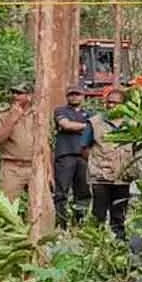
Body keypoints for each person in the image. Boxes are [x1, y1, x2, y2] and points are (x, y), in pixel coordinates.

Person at [87, 87, 133, 238]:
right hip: (100, 176)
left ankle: (118, 240)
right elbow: (84, 147)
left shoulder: (131, 124)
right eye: (109, 102)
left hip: (123, 176)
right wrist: (97, 163)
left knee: (119, 212)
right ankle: (95, 240)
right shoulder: (94, 122)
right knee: (98, 212)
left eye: (116, 103)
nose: (111, 105)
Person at [0, 84, 42, 202]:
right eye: (13, 93)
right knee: (7, 205)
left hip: (36, 166)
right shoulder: (3, 113)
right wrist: (12, 119)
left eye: (19, 93)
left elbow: (49, 143)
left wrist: (50, 172)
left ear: (30, 95)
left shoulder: (39, 113)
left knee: (39, 205)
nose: (15, 96)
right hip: (12, 167)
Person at [52, 85, 93, 227]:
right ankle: (61, 224)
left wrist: (81, 126)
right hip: (65, 155)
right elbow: (66, 125)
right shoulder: (61, 111)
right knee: (61, 192)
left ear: (83, 96)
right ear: (67, 97)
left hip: (84, 157)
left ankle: (79, 224)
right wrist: (87, 126)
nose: (74, 97)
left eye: (77, 94)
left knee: (83, 192)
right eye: (71, 94)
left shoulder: (88, 114)